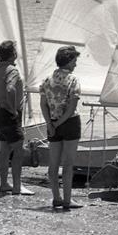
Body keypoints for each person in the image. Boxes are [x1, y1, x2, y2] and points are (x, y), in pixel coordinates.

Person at [39, 45, 83, 210]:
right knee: (68, 164)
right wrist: (58, 123)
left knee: (53, 163)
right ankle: (67, 200)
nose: (76, 64)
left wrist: (50, 123)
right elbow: (71, 108)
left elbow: (43, 105)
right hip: (70, 123)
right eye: (75, 60)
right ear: (69, 61)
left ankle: (56, 197)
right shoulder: (73, 80)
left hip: (53, 122)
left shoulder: (46, 80)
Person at [0, 40, 33, 196]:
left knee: (4, 149)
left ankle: (4, 184)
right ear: (13, 54)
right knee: (18, 150)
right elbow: (10, 89)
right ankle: (17, 186)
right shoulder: (12, 70)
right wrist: (13, 109)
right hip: (8, 113)